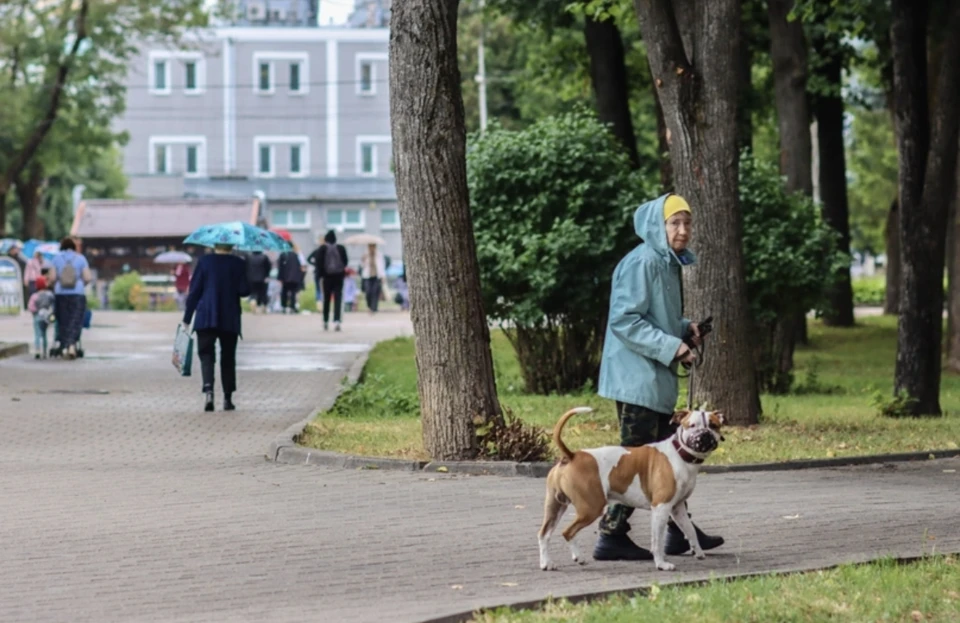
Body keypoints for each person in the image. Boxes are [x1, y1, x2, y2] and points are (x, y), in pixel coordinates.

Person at [593, 193, 724, 562]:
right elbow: (625, 321)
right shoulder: (643, 262)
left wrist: (687, 330)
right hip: (636, 379)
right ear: (657, 226)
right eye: (674, 223)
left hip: (652, 376)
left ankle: (679, 532)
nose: (683, 231)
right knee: (639, 463)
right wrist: (674, 347)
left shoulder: (666, 262)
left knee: (666, 461)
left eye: (687, 223)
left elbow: (656, 319)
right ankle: (611, 535)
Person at [182, 243, 250, 412]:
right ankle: (227, 398)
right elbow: (244, 291)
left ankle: (209, 392)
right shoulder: (239, 263)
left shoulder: (204, 262)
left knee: (206, 355)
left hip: (206, 316)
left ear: (214, 245)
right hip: (230, 318)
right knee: (228, 358)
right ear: (231, 245)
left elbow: (194, 292)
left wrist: (187, 319)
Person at [49, 237, 91, 360]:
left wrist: (55, 285)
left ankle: (63, 345)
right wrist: (80, 285)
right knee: (75, 320)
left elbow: (52, 278)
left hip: (60, 294)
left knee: (63, 320)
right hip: (77, 293)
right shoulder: (81, 258)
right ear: (73, 247)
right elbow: (88, 277)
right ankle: (72, 345)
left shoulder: (56, 258)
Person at [308, 230, 349, 331]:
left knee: (326, 299)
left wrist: (320, 274)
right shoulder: (341, 248)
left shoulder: (322, 249)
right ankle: (337, 321)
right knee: (338, 299)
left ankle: (326, 321)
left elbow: (318, 263)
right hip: (339, 277)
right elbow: (345, 261)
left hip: (327, 278)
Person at [27, 276, 55, 359]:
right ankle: (45, 351)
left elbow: (30, 307)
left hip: (37, 316)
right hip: (46, 316)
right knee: (44, 334)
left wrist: (35, 311)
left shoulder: (34, 296)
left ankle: (37, 351)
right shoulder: (49, 294)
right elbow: (53, 305)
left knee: (37, 334)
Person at [360, 243, 386, 313]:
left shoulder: (379, 255)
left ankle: (374, 308)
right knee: (368, 291)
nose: (371, 248)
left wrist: (383, 276)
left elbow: (382, 266)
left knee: (375, 292)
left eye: (373, 247)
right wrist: (363, 259)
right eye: (370, 247)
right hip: (367, 276)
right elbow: (362, 266)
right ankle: (369, 306)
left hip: (377, 276)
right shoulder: (365, 255)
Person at [277, 247, 302, 314]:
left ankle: (284, 307)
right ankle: (292, 307)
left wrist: (280, 278)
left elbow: (280, 267)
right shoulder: (295, 255)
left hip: (285, 278)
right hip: (294, 278)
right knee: (293, 293)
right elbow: (299, 266)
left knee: (284, 293)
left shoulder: (283, 255)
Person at [9, 243, 28, 309]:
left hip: (20, 279)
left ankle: (24, 306)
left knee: (22, 293)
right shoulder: (9, 258)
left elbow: (24, 269)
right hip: (11, 279)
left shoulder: (21, 258)